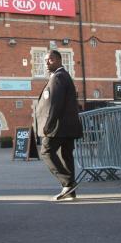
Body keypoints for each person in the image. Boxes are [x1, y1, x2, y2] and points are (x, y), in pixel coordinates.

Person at [33, 49, 82, 202]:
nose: (47, 63)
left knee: (46, 152)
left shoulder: (59, 77)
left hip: (58, 127)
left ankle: (68, 183)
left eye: (50, 59)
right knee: (67, 156)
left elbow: (54, 103)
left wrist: (48, 124)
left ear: (60, 60)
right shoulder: (62, 76)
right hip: (68, 126)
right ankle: (70, 192)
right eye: (46, 60)